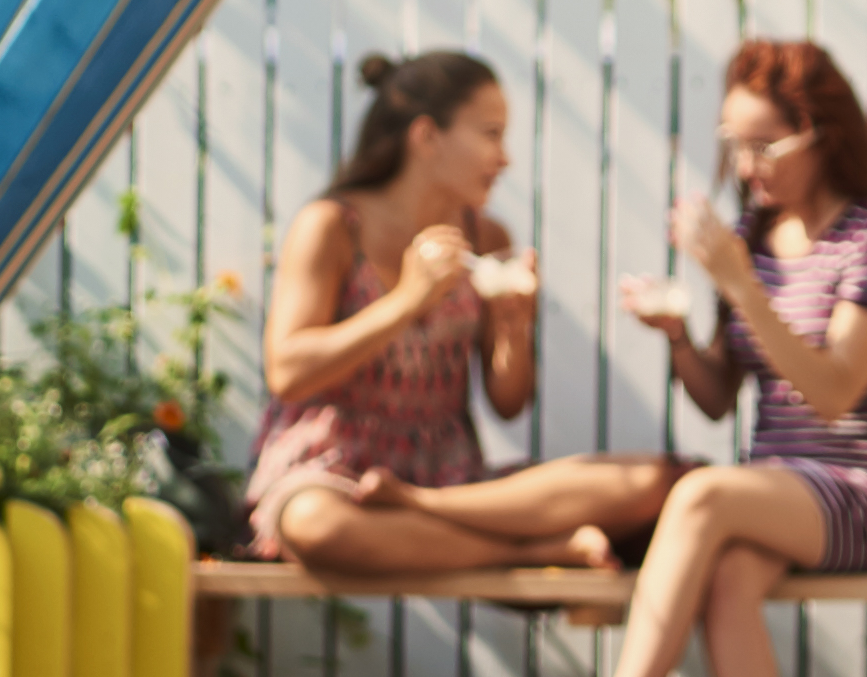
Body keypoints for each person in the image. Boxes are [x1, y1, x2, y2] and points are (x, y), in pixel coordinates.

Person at [520, 36, 867, 677]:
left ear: (822, 135)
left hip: (865, 493)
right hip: (772, 494)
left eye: (764, 145)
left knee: (700, 496)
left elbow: (831, 393)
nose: (746, 166)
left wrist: (740, 286)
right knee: (730, 574)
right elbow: (717, 396)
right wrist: (677, 334)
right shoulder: (753, 237)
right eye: (734, 144)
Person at [247, 55, 680, 580]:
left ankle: (418, 510)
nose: (505, 159)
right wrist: (407, 300)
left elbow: (508, 401)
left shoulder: (488, 239)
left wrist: (513, 328)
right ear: (427, 136)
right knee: (315, 525)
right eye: (491, 134)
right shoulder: (333, 227)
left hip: (447, 481)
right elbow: (287, 373)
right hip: (330, 468)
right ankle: (529, 551)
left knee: (657, 482)